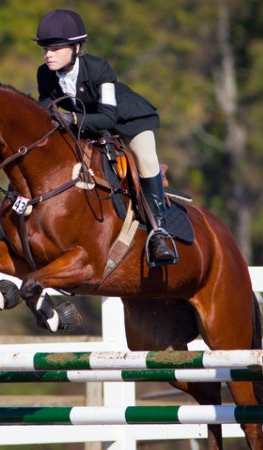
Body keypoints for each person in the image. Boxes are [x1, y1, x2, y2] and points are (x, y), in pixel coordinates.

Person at [34, 8, 177, 266]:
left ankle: (160, 232)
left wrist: (72, 119)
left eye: (55, 48)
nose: (48, 54)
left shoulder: (100, 69)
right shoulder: (44, 73)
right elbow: (46, 111)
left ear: (77, 48)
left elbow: (109, 117)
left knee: (145, 161)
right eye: (45, 48)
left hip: (128, 119)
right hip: (91, 125)